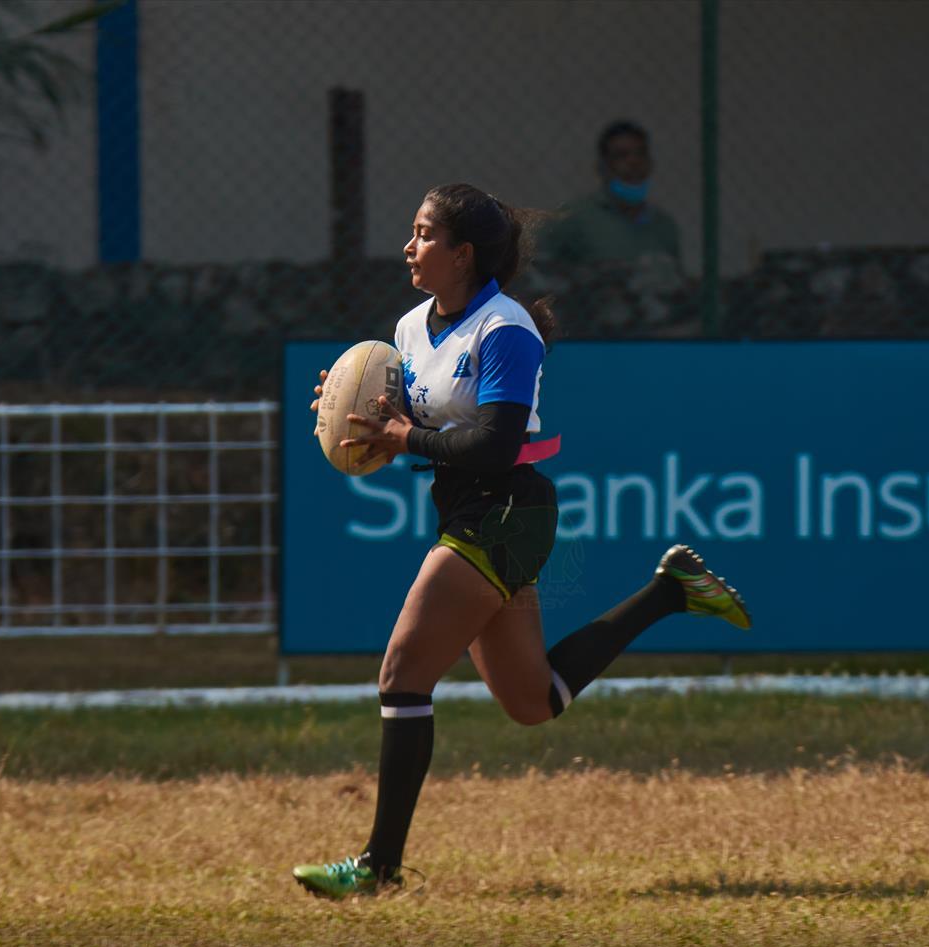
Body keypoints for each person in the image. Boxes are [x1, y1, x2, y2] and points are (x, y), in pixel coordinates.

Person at [292, 183, 747, 899]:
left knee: (402, 673)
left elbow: (498, 443)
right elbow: (415, 415)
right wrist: (353, 410)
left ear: (462, 253)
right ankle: (669, 591)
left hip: (507, 512)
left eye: (422, 234)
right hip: (467, 512)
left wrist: (405, 435)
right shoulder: (411, 328)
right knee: (532, 702)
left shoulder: (504, 330)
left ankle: (378, 869)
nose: (409, 247)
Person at [536, 120, 682, 268]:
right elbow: (536, 268)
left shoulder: (664, 226)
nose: (634, 162)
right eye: (621, 155)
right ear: (602, 167)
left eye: (641, 153)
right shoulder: (573, 218)